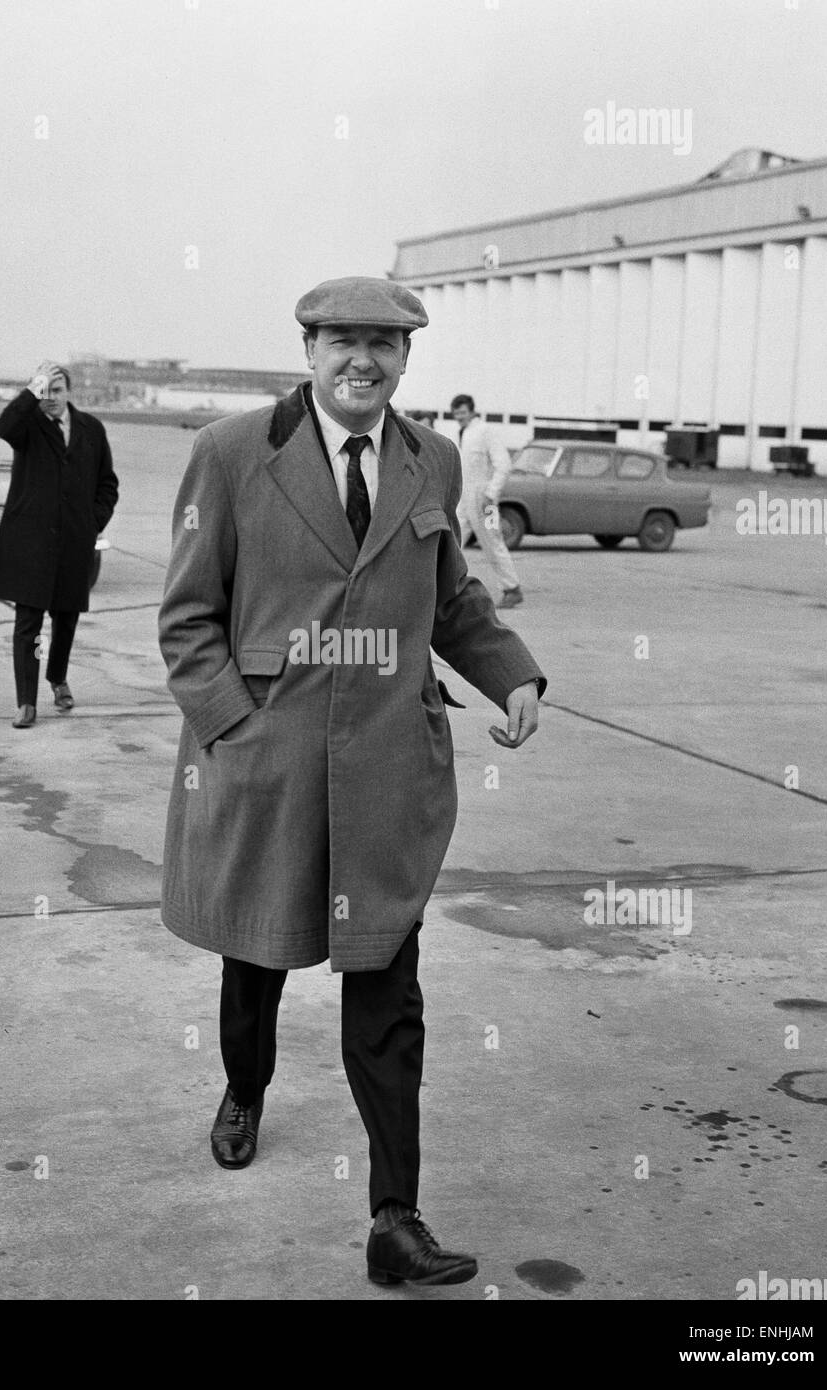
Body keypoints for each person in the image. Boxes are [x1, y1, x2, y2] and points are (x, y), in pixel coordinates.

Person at [158, 277, 546, 1287]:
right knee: (257, 963)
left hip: (386, 776)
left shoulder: (432, 459)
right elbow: (188, 621)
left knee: (387, 988)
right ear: (308, 347)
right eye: (343, 341)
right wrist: (234, 732)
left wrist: (511, 674)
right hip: (268, 769)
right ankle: (245, 1087)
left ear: (407, 358)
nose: (363, 359)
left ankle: (394, 1220)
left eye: (384, 342)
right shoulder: (232, 454)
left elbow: (449, 596)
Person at [0, 361, 119, 728]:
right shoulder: (27, 426)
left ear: (69, 392)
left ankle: (57, 679)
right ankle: (26, 703)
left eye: (57, 390)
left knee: (66, 619)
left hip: (74, 543)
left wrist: (92, 523)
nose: (50, 398)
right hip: (30, 544)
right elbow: (3, 426)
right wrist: (32, 389)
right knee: (28, 622)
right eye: (44, 391)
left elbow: (107, 483)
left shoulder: (91, 429)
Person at [450, 393, 524, 607]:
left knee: (493, 542)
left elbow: (504, 465)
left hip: (486, 502)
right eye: (456, 414)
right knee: (453, 540)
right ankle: (444, 588)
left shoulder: (485, 431)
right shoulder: (462, 432)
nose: (460, 417)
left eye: (463, 413)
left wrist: (491, 493)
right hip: (463, 498)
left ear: (472, 411)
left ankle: (512, 589)